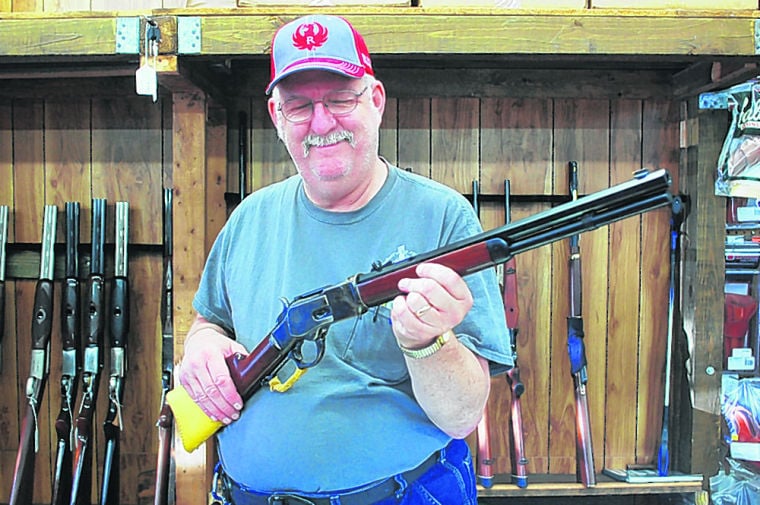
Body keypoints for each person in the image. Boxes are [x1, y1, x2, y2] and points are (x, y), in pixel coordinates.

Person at [177, 14, 513, 505]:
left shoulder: (442, 219)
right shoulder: (249, 218)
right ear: (276, 115)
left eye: (340, 99)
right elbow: (208, 322)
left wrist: (426, 343)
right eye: (299, 106)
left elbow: (462, 416)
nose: (321, 122)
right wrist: (202, 348)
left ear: (375, 100)